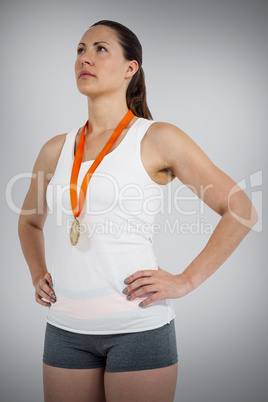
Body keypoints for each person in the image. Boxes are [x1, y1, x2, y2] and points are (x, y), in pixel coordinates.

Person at [18, 19, 258, 402]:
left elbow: (242, 209)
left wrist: (187, 280)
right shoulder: (55, 149)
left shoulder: (158, 138)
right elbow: (30, 221)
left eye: (100, 49)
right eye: (80, 49)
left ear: (131, 69)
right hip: (65, 329)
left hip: (138, 327)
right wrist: (36, 274)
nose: (85, 58)